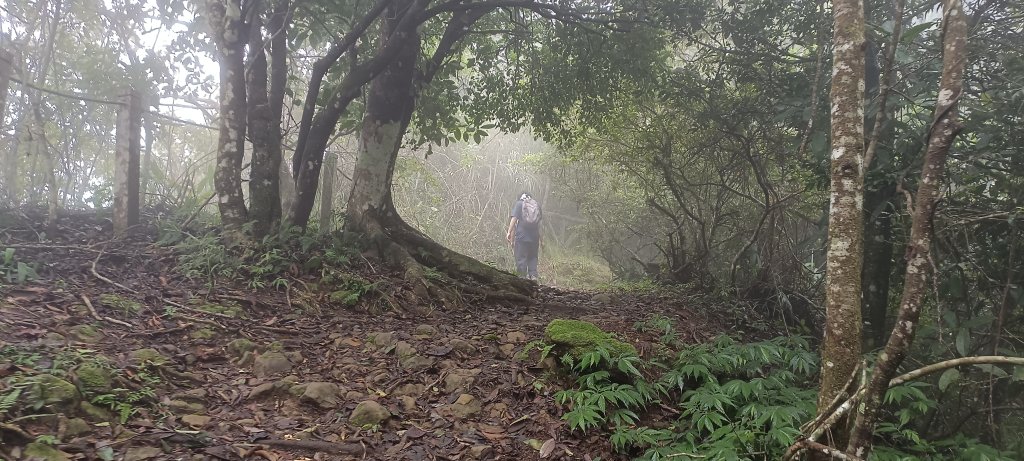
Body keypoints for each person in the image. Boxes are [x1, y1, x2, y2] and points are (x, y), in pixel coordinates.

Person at [506, 192, 542, 280]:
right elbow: (540, 225)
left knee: (521, 257)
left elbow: (514, 219)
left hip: (522, 236)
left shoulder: (519, 204)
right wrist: (542, 240)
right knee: (533, 257)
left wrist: (509, 232)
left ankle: (522, 278)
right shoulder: (537, 205)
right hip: (534, 237)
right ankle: (533, 276)